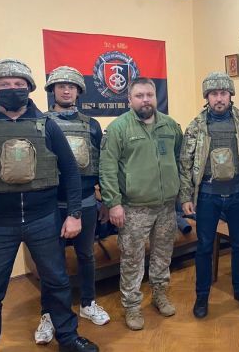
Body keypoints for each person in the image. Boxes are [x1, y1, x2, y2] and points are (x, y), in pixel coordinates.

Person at [0, 59, 98, 352]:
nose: (13, 89)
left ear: (29, 88)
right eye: (5, 84)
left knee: (58, 282)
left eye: (19, 84)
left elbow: (70, 171)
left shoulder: (47, 125)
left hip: (43, 219)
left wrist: (74, 213)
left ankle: (68, 338)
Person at [33, 66, 110, 345]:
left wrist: (104, 199)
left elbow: (101, 164)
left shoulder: (91, 125)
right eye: (61, 86)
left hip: (86, 201)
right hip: (50, 204)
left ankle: (88, 303)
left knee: (86, 255)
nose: (66, 90)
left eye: (72, 86)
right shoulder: (39, 123)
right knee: (50, 262)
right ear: (52, 90)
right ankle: (48, 314)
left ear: (79, 91)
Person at [99, 78, 183, 331]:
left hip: (166, 207)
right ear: (129, 99)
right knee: (132, 260)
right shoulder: (118, 128)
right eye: (139, 95)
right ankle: (132, 306)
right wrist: (113, 203)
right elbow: (107, 169)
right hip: (134, 208)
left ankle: (160, 294)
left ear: (155, 97)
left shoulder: (170, 125)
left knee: (162, 255)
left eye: (149, 95)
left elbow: (178, 159)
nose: (145, 100)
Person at [179, 72, 239, 318]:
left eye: (223, 93)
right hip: (207, 197)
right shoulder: (196, 127)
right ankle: (202, 297)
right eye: (214, 94)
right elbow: (185, 163)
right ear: (207, 97)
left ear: (230, 95)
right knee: (204, 247)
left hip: (237, 195)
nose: (219, 98)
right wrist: (185, 197)